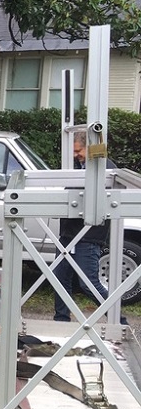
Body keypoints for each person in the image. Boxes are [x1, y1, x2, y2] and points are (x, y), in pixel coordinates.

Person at [53, 132, 124, 323]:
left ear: (89, 147)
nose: (76, 155)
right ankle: (61, 320)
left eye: (78, 151)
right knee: (59, 279)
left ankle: (119, 319)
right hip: (69, 234)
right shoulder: (78, 166)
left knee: (88, 283)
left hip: (88, 235)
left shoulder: (106, 169)